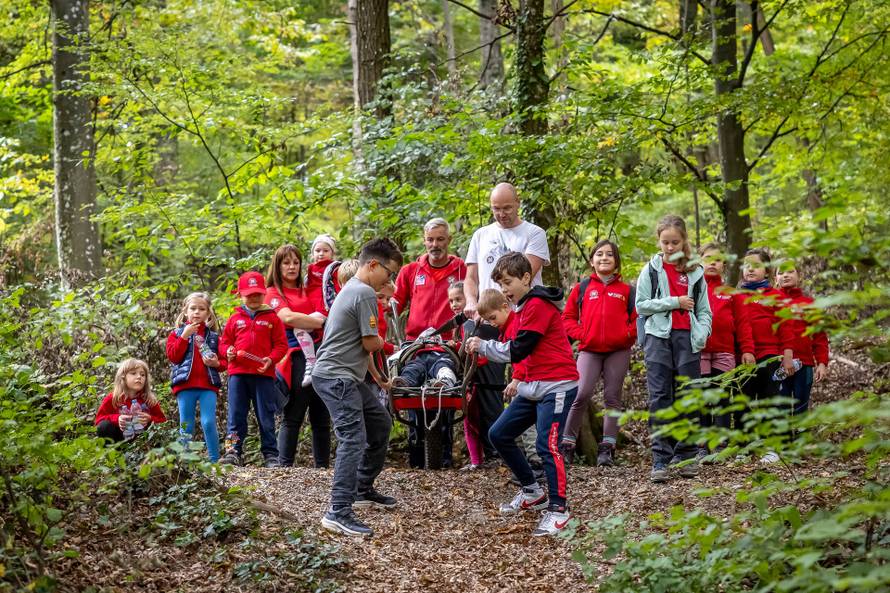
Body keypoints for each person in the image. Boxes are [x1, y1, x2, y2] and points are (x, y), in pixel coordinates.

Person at [466, 253, 579, 537]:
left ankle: (559, 509)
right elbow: (522, 353)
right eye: (501, 284)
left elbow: (519, 349)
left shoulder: (537, 305)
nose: (504, 289)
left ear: (526, 278)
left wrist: (483, 345)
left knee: (547, 445)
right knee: (499, 434)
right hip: (534, 386)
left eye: (508, 282)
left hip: (557, 385)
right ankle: (532, 491)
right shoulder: (522, 307)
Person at [313, 239, 403, 537]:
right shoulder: (363, 292)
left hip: (346, 376)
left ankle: (362, 489)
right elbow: (370, 342)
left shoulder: (353, 289)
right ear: (373, 265)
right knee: (353, 438)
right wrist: (390, 343)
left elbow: (359, 348)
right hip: (336, 377)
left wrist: (378, 377)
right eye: (388, 273)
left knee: (380, 423)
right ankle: (338, 510)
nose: (388, 279)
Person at [463, 182, 549, 468]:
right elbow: (471, 277)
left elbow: (526, 274)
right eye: (496, 209)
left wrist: (502, 306)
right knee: (487, 386)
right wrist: (472, 302)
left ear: (518, 203)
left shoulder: (533, 233)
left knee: (524, 379)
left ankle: (536, 452)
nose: (501, 214)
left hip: (521, 317)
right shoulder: (481, 234)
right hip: (486, 319)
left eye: (507, 208)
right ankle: (497, 448)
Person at [636, 215, 712, 484]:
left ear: (684, 241)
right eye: (665, 242)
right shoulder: (651, 269)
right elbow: (641, 305)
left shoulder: (695, 272)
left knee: (688, 395)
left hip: (687, 339)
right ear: (658, 241)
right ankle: (660, 458)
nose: (670, 247)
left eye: (675, 242)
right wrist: (674, 302)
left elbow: (704, 311)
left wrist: (701, 333)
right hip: (658, 337)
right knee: (660, 396)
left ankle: (687, 454)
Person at [391, 218, 467, 468]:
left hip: (447, 344)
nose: (435, 245)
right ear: (424, 241)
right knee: (412, 393)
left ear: (449, 240)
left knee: (445, 396)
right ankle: (416, 458)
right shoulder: (411, 271)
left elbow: (472, 300)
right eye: (430, 240)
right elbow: (394, 303)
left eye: (440, 239)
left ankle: (443, 458)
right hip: (416, 344)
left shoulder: (461, 269)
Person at [561, 240, 637, 467]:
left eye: (610, 254)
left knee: (612, 397)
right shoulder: (582, 288)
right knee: (580, 394)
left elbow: (638, 320)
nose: (604, 258)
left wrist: (626, 334)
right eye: (600, 254)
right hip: (589, 351)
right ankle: (567, 445)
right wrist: (582, 334)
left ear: (616, 261)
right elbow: (567, 318)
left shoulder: (627, 290)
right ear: (592, 261)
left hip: (618, 351)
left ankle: (607, 449)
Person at [265, 245, 331, 468]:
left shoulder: (308, 289)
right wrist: (323, 322)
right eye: (286, 263)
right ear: (278, 266)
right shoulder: (273, 292)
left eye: (296, 262)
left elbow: (325, 307)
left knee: (321, 413)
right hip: (295, 357)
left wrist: (318, 321)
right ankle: (284, 467)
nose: (292, 267)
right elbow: (288, 318)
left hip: (321, 352)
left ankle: (322, 467)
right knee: (294, 413)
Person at [219, 271, 289, 468]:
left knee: (266, 416)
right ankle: (232, 452)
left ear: (264, 293)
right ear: (241, 295)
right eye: (249, 294)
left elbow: (281, 345)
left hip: (263, 375)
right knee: (235, 416)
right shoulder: (235, 318)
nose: (254, 298)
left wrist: (271, 359)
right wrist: (228, 351)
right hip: (238, 375)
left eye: (257, 293)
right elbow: (224, 343)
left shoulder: (272, 318)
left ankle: (271, 455)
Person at [696, 244, 755, 458]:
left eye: (718, 259)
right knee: (703, 397)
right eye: (707, 258)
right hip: (699, 352)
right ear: (699, 261)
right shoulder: (693, 289)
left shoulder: (731, 294)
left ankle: (720, 445)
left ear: (724, 265)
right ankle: (702, 445)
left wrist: (747, 350)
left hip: (725, 353)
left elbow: (743, 324)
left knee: (722, 397)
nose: (712, 263)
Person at [737, 248, 795, 463]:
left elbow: (786, 329)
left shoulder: (777, 297)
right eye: (747, 265)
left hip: (770, 355)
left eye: (756, 265)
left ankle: (771, 447)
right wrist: (744, 351)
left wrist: (787, 357)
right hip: (744, 356)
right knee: (743, 401)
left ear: (768, 271)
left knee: (769, 400)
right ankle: (744, 446)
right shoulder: (738, 296)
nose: (750, 269)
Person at [166, 292, 225, 461]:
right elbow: (173, 357)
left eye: (202, 309)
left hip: (208, 386)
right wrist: (184, 336)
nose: (197, 312)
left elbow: (225, 362)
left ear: (208, 313)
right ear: (185, 311)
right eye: (193, 308)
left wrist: (216, 363)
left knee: (208, 422)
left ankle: (214, 461)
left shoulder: (214, 337)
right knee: (186, 423)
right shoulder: (176, 334)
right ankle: (185, 461)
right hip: (185, 386)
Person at [775, 260, 829, 420]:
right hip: (778, 363)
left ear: (800, 276)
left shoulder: (809, 304)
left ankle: (801, 435)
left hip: (804, 363)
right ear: (775, 278)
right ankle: (783, 436)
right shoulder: (772, 303)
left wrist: (822, 362)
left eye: (790, 271)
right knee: (780, 409)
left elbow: (819, 336)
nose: (785, 275)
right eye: (781, 273)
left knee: (801, 409)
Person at [95, 359, 166, 442]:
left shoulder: (148, 399)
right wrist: (117, 419)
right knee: (104, 426)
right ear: (123, 377)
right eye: (133, 373)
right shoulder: (113, 398)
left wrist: (150, 419)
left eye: (142, 375)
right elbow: (99, 421)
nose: (139, 377)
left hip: (144, 440)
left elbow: (163, 421)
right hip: (120, 440)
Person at [305, 234, 337, 314]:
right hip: (310, 302)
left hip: (324, 306)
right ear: (313, 253)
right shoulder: (311, 268)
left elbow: (338, 287)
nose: (321, 253)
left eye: (326, 251)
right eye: (318, 251)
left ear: (332, 253)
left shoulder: (333, 268)